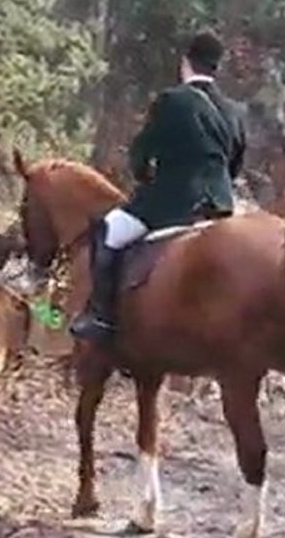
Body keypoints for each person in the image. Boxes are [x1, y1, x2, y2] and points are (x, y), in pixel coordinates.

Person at [69, 30, 247, 342]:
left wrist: (143, 177)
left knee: (108, 232)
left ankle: (101, 316)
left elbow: (141, 153)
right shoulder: (234, 110)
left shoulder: (171, 100)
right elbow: (235, 164)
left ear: (185, 63)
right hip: (220, 205)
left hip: (173, 204)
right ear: (216, 67)